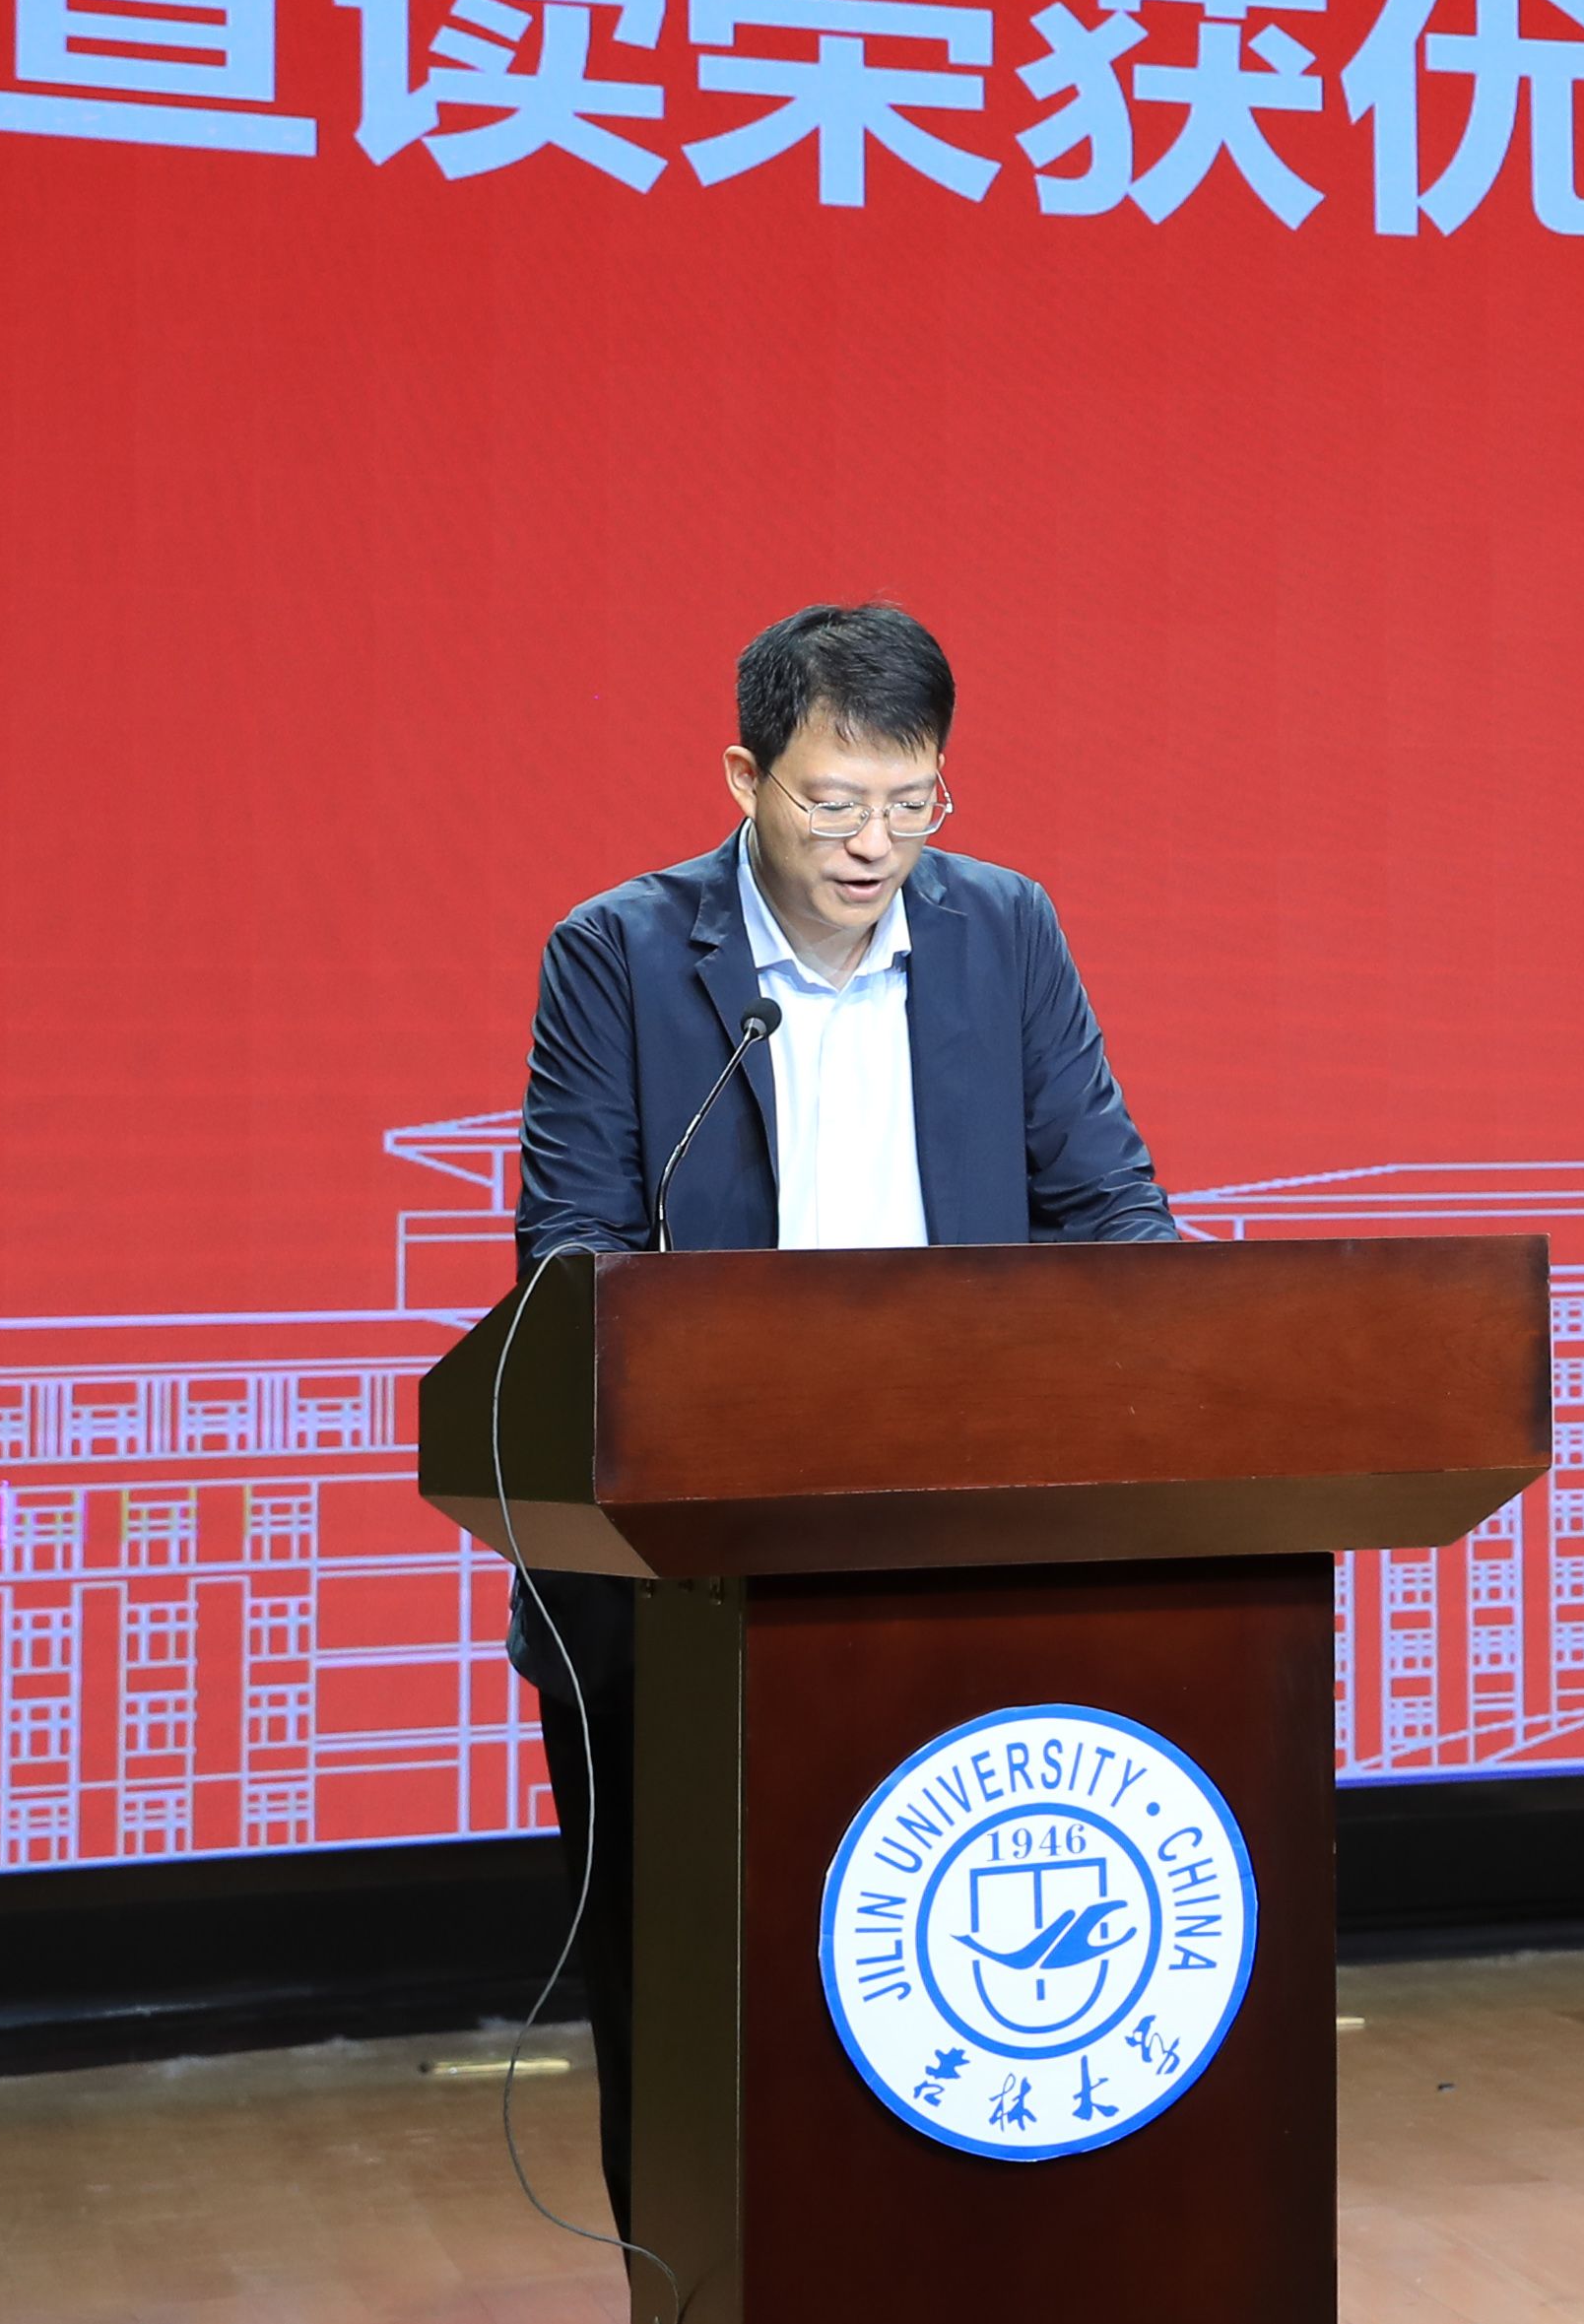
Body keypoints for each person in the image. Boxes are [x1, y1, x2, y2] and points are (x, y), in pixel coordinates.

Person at [501, 601, 1174, 2243]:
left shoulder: (1003, 929)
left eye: (911, 799)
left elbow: (1111, 1210)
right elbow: (570, 1264)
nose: (875, 843)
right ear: (746, 778)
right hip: (683, 1574)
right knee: (694, 1998)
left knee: (939, 1980)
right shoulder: (619, 954)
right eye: (832, 801)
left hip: (958, 1548)